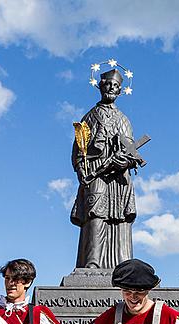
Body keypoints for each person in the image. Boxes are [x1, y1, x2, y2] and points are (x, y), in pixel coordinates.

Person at [70, 68, 143, 269]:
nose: (111, 88)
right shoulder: (90, 117)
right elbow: (79, 150)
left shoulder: (123, 119)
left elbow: (131, 150)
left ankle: (122, 264)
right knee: (96, 213)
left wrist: (127, 161)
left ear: (120, 91)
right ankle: (92, 262)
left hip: (118, 177)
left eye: (116, 86)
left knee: (119, 219)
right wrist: (82, 171)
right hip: (96, 172)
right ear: (100, 86)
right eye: (108, 84)